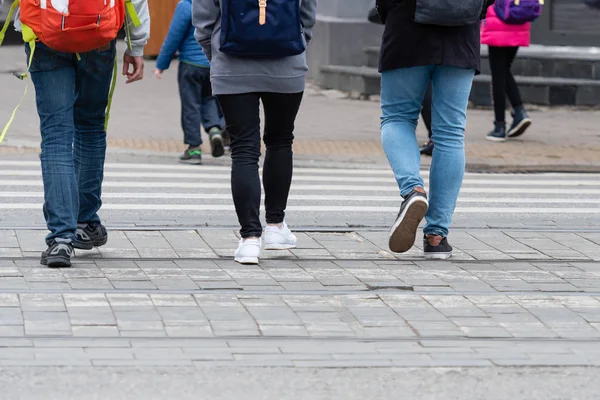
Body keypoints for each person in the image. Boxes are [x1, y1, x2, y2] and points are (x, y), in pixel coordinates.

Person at [12, 1, 149, 267]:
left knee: (56, 134)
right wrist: (137, 44)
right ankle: (84, 221)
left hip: (44, 35)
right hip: (96, 34)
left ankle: (61, 239)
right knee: (90, 126)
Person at [193, 0, 317, 264]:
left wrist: (216, 56)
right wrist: (297, 45)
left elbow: (203, 21)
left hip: (231, 64)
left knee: (243, 150)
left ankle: (250, 238)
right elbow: (307, 14)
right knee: (281, 141)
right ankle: (275, 227)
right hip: (286, 63)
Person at [377, 0, 494, 260]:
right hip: (462, 31)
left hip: (406, 25)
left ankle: (413, 191)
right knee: (450, 133)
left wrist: (389, 10)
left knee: (397, 117)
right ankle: (437, 237)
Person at [155, 0, 225, 164]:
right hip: (213, 63)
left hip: (190, 65)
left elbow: (174, 36)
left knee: (190, 105)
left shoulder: (186, 5)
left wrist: (161, 64)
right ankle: (214, 130)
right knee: (209, 100)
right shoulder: (218, 4)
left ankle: (194, 149)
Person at [368, 4, 434, 156]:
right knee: (450, 132)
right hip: (457, 40)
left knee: (397, 118)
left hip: (407, 33)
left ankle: (411, 179)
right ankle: (435, 136)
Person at [482, 4, 532, 141]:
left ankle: (500, 126)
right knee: (504, 70)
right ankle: (519, 112)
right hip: (518, 20)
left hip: (498, 23)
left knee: (498, 74)